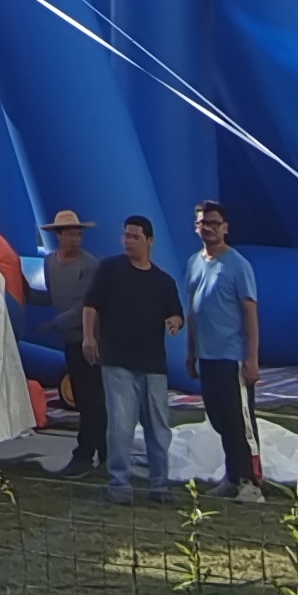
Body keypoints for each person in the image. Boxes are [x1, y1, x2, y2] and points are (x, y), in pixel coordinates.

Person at [80, 213, 187, 503]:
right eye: (125, 235)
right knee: (121, 424)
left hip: (153, 364)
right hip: (117, 361)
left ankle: (160, 486)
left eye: (135, 236)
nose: (128, 241)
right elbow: (91, 305)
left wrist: (176, 322)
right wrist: (89, 337)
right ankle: (119, 483)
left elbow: (176, 312)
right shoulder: (110, 269)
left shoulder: (162, 281)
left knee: (158, 427)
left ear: (149, 241)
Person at [183, 200, 266, 504]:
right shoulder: (194, 262)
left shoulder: (237, 265)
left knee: (239, 420)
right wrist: (191, 352)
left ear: (225, 227)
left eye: (214, 223)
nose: (209, 228)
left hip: (232, 357)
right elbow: (193, 311)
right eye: (203, 223)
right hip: (208, 356)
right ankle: (232, 476)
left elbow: (250, 313)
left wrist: (252, 358)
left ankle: (251, 481)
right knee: (219, 418)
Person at [37, 210, 106, 474]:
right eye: (70, 234)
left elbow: (86, 305)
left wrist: (54, 323)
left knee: (92, 398)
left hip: (90, 339)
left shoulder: (89, 265)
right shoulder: (50, 263)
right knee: (84, 397)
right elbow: (52, 297)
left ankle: (89, 452)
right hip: (69, 340)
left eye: (78, 234)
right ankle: (96, 448)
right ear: (59, 236)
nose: (75, 239)